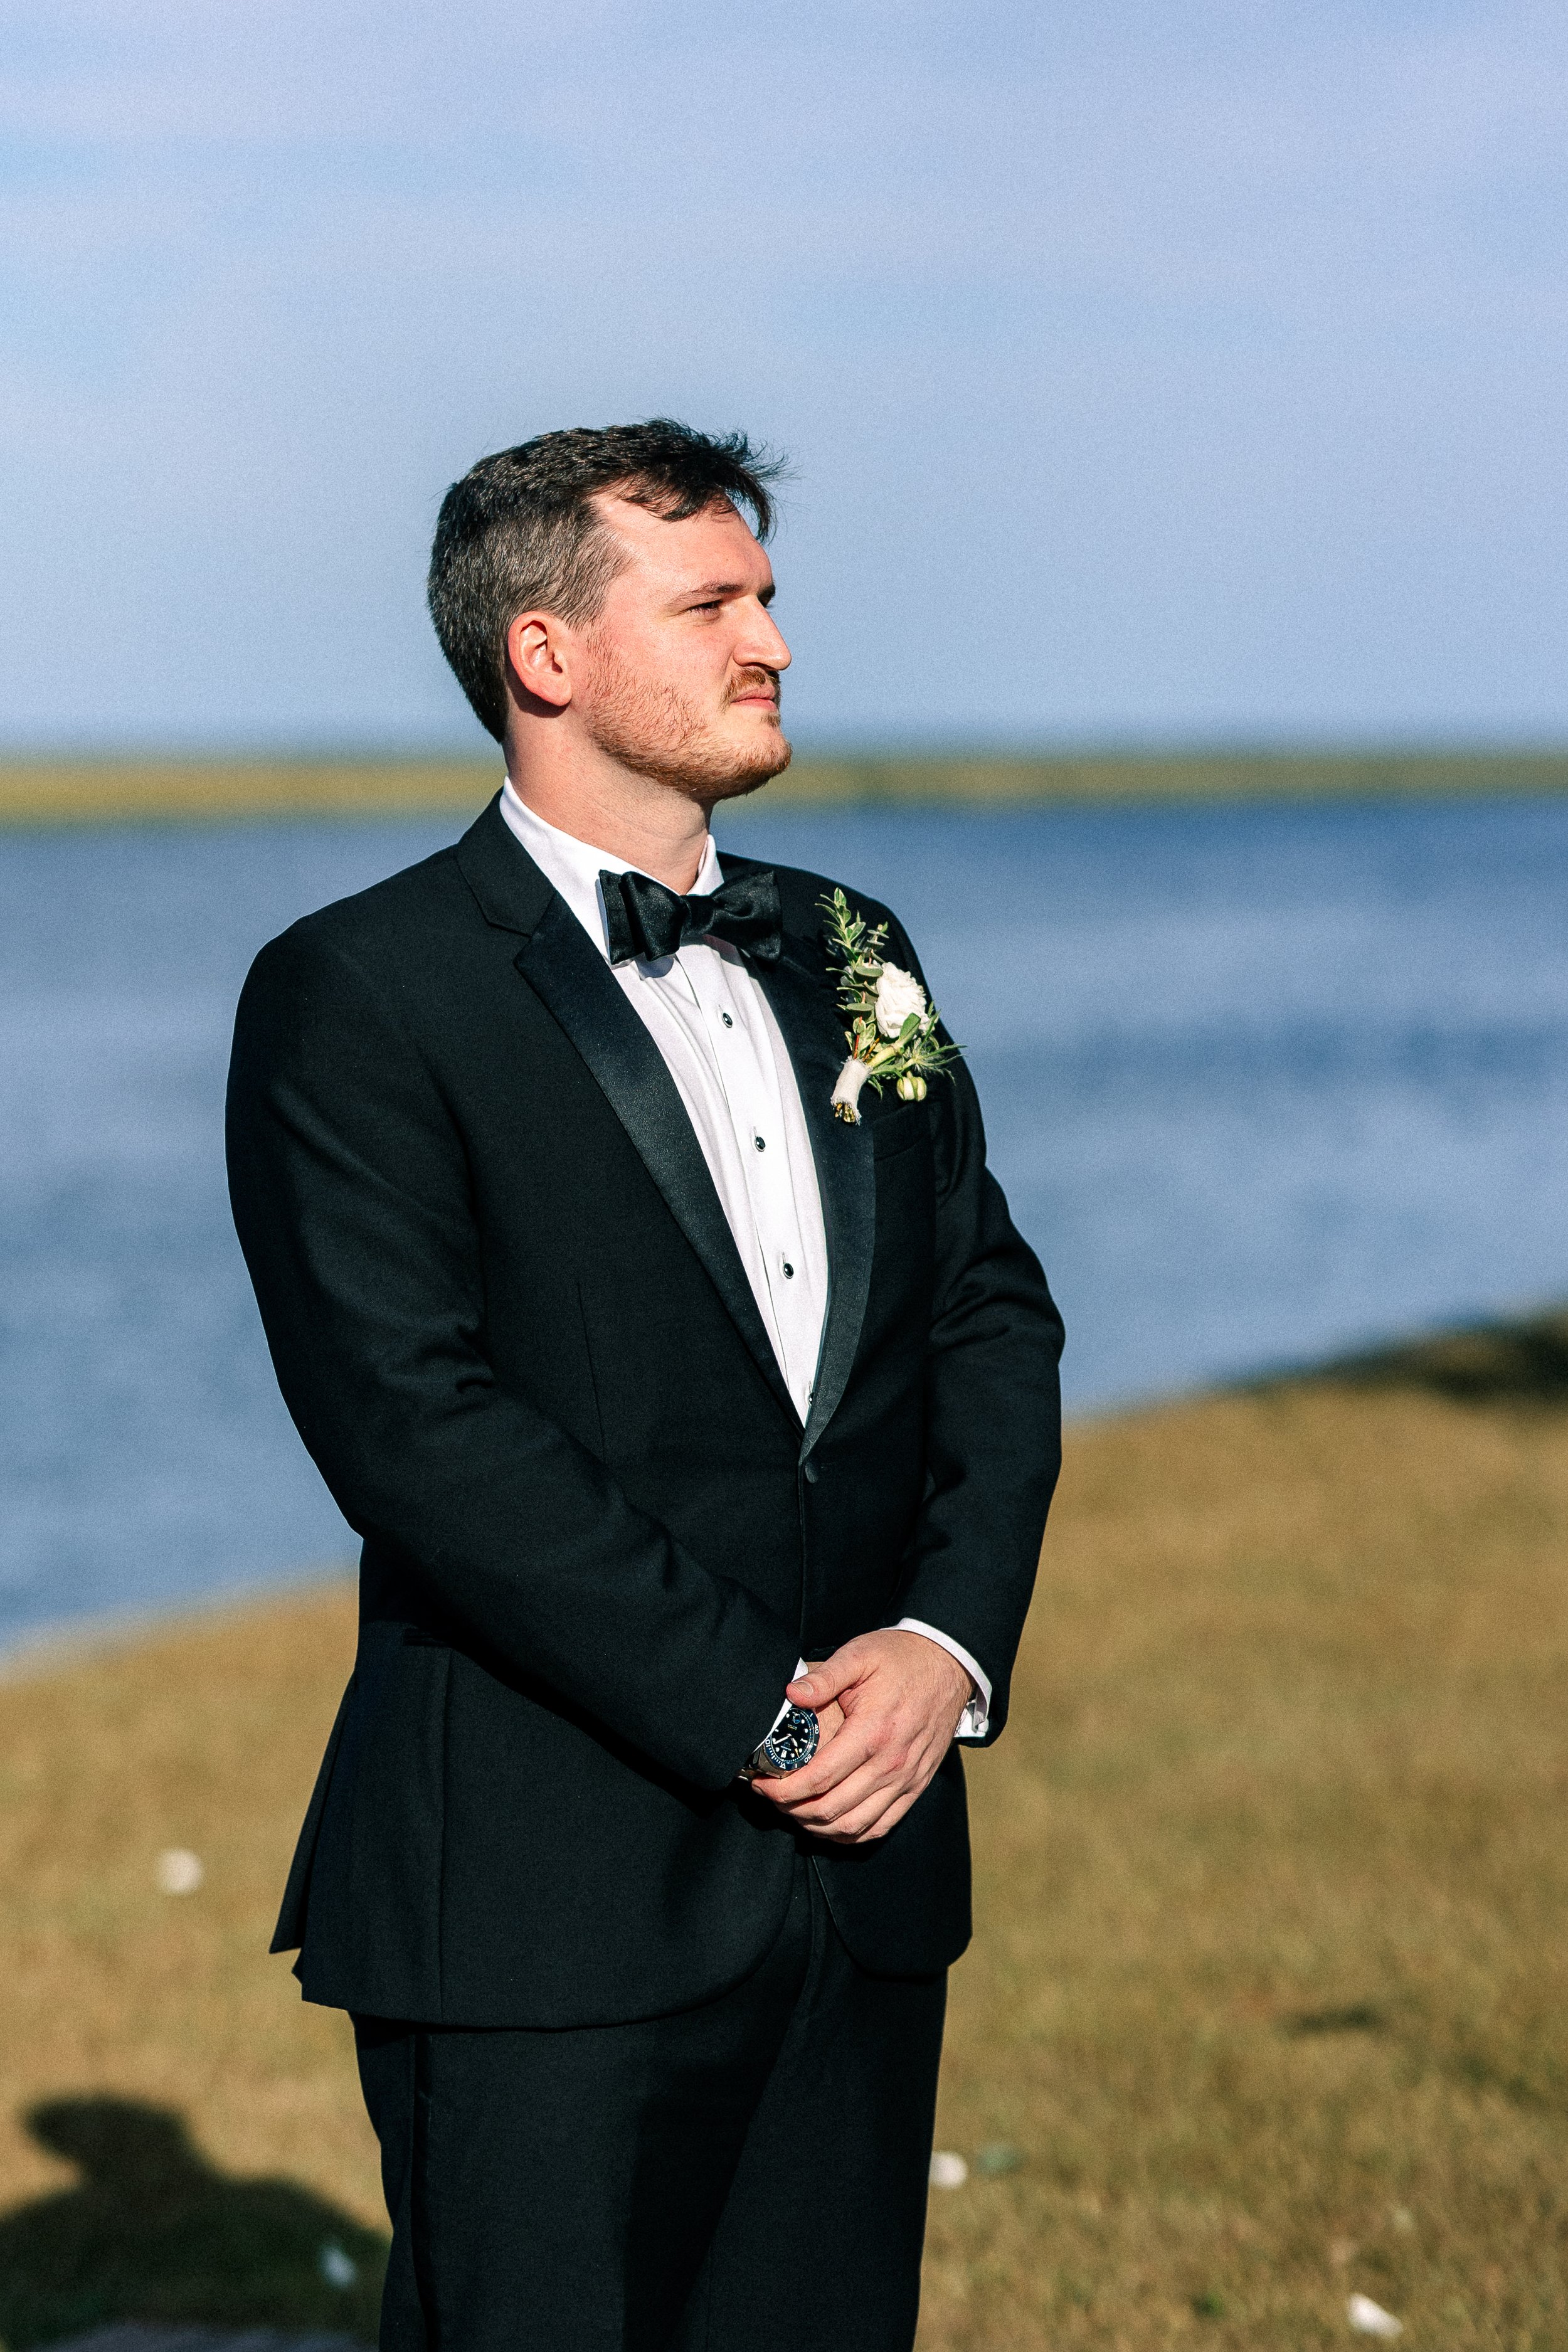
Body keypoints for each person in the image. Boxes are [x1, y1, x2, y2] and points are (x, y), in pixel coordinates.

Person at [226, 419, 1064, 2352]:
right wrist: (756, 1716)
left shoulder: (855, 948)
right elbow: (410, 1425)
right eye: (709, 604)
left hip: (868, 1875)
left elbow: (986, 1320)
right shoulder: (356, 991)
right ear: (548, 655)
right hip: (537, 1892)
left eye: (764, 595)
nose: (768, 638)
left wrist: (940, 1642)